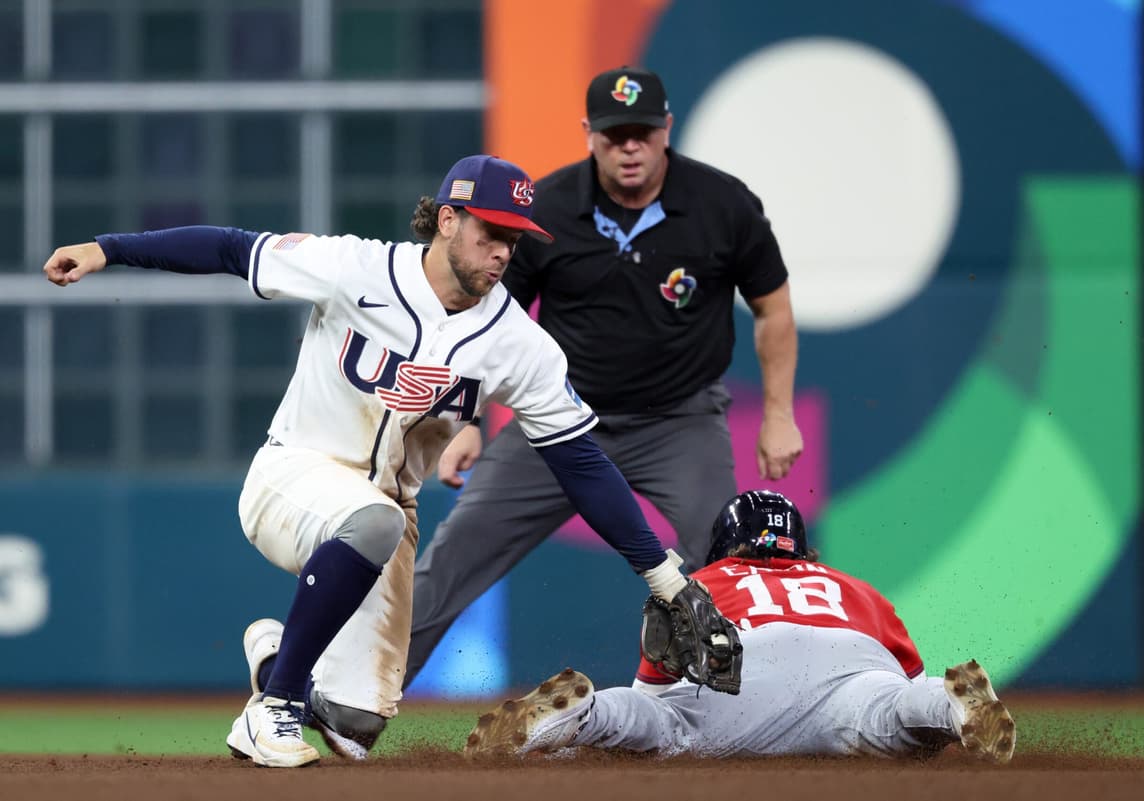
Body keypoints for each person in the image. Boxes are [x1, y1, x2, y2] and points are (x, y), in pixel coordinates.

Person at [41, 154, 735, 768]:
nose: (502, 253)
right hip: (293, 476)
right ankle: (273, 706)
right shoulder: (357, 268)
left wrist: (665, 576)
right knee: (368, 520)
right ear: (448, 220)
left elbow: (582, 464)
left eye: (513, 240)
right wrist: (107, 249)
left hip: (385, 518)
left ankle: (279, 661)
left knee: (355, 725)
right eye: (490, 233)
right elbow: (229, 248)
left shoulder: (519, 343)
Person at [405, 66, 805, 693]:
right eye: (616, 134)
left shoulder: (722, 205)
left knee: (727, 563)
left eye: (642, 132)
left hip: (679, 420)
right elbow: (488, 319)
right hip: (558, 421)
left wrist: (778, 413)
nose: (630, 147)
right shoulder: (551, 206)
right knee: (451, 558)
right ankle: (360, 697)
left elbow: (773, 308)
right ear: (589, 133)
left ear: (666, 129)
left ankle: (754, 708)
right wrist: (468, 418)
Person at [463, 490, 1017, 764]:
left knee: (659, 720)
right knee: (896, 708)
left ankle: (583, 713)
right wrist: (910, 705)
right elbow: (902, 669)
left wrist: (633, 714)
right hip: (852, 672)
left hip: (741, 675)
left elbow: (655, 687)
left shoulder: (699, 581)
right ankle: (949, 706)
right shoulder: (853, 586)